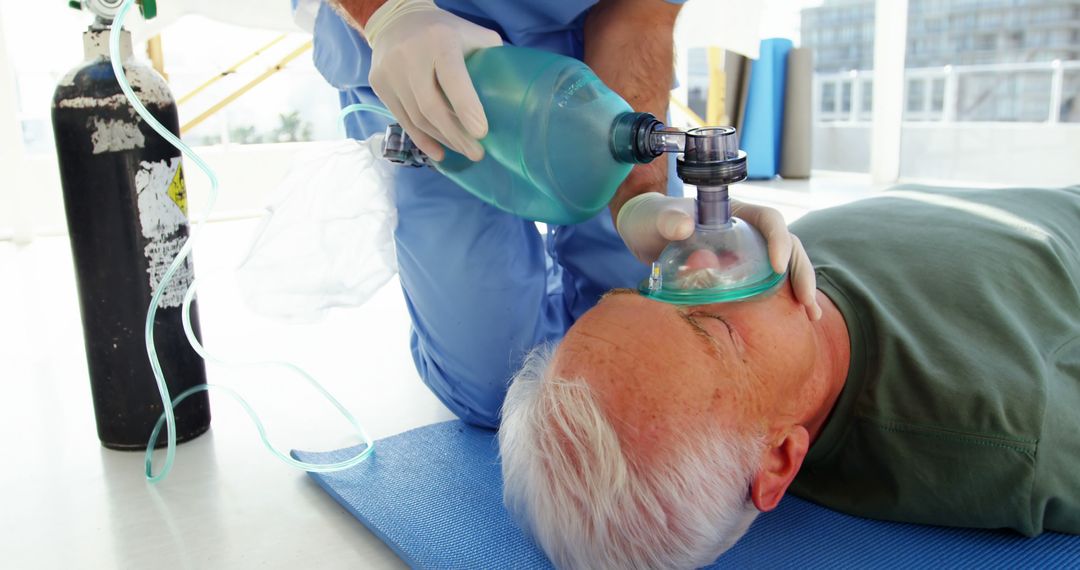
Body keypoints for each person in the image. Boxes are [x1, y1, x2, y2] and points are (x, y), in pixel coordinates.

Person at [499, 184, 1080, 568]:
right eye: (713, 328)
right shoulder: (1011, 431)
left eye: (644, 287)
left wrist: (632, 202)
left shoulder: (783, 286)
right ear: (778, 460)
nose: (695, 261)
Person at [302, 0, 819, 426]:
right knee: (498, 392)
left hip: (581, 72)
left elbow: (640, 13)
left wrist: (638, 196)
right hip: (424, 65)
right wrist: (390, 15)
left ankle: (545, 273)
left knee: (637, 342)